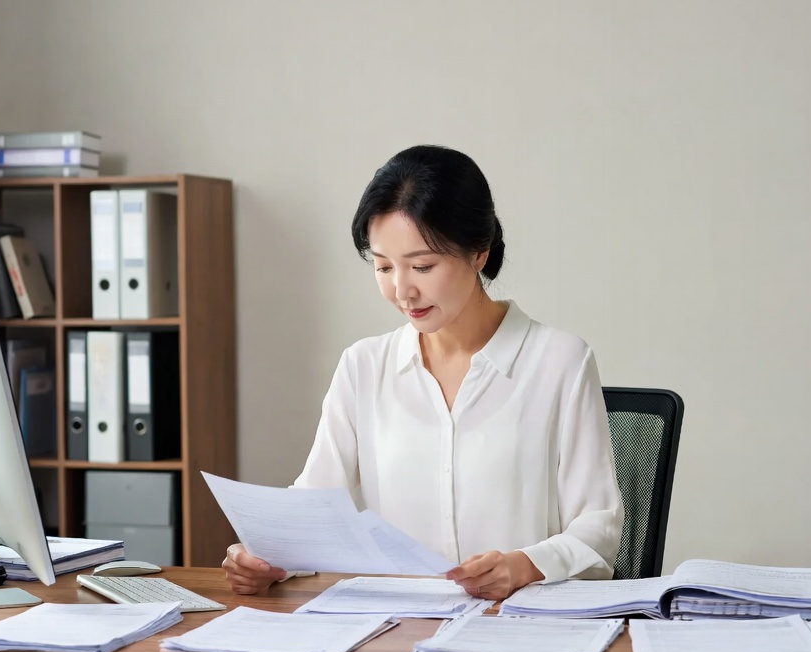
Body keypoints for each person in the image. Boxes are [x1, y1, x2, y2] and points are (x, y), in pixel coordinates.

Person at [223, 144, 623, 599]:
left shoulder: (559, 361)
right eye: (383, 267)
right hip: (393, 632)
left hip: (519, 627)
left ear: (478, 252)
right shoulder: (363, 367)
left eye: (422, 266)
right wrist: (264, 556)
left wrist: (525, 565)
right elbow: (314, 507)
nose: (402, 290)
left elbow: (598, 526)